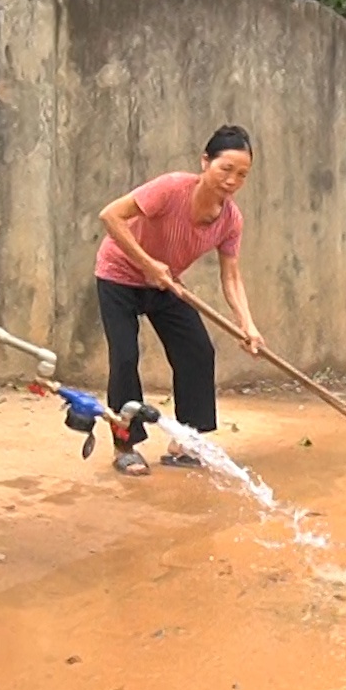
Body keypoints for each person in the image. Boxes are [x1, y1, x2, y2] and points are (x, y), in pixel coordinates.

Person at [95, 125, 265, 476]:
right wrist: (148, 264)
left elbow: (231, 276)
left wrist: (247, 325)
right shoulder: (171, 188)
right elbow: (110, 215)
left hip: (166, 284)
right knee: (125, 357)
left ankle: (186, 441)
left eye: (242, 175)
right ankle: (125, 445)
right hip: (118, 275)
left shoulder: (230, 220)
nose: (232, 181)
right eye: (226, 169)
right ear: (205, 162)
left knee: (197, 351)